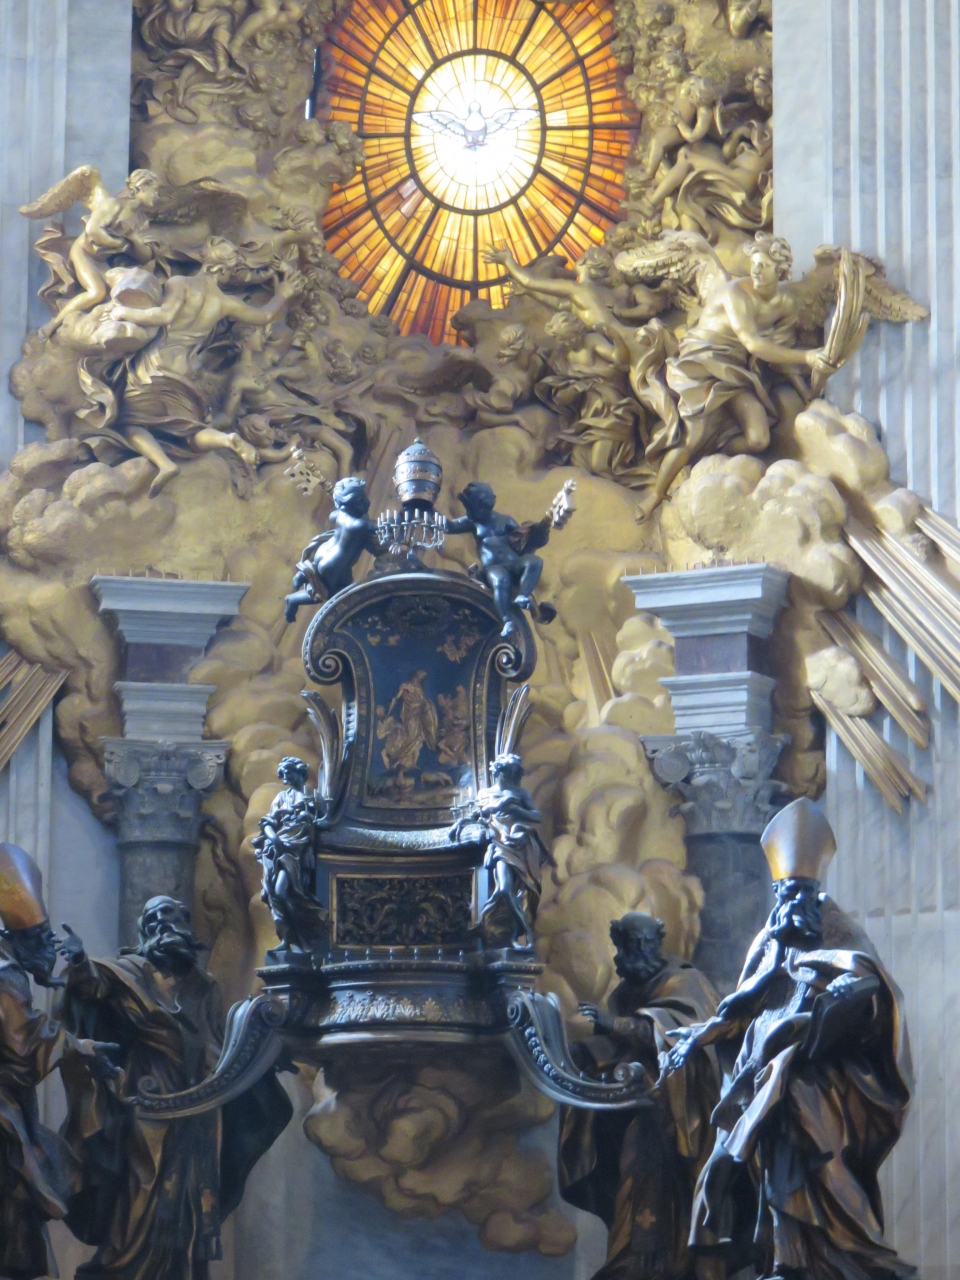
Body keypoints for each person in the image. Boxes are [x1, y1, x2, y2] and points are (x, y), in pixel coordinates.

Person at [662, 799, 915, 1280]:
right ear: (777, 893)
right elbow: (739, 1009)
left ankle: (857, 1252)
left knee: (812, 1150)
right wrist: (698, 1038)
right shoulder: (769, 942)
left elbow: (874, 991)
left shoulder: (838, 934)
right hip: (761, 1072)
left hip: (819, 1077)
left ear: (818, 894)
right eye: (787, 892)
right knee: (763, 1166)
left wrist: (833, 1003)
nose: (794, 903)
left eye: (804, 893)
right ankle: (784, 1259)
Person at [60, 896, 292, 1280]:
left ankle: (179, 1271)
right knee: (143, 1184)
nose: (164, 924)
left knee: (189, 1193)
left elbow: (217, 1043)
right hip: (148, 1093)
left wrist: (262, 1058)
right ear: (144, 931)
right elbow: (92, 986)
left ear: (186, 923)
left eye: (171, 915)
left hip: (199, 1101)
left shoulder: (203, 986)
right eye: (154, 919)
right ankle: (122, 1268)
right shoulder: (127, 972)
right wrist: (81, 962)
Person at [559, 913, 720, 1280]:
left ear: (656, 942)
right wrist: (587, 1054)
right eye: (631, 945)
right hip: (646, 1107)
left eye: (645, 943)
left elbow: (674, 1035)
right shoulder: (629, 989)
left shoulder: (683, 982)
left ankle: (655, 1262)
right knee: (629, 1172)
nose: (639, 951)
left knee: (650, 1174)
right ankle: (631, 1260)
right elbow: (623, 1046)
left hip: (685, 1113)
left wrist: (612, 1024)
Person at [636, 234, 828, 520]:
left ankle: (713, 454)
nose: (756, 271)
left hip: (735, 370)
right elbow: (754, 344)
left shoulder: (786, 305)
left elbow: (779, 352)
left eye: (764, 265)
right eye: (754, 263)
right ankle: (656, 494)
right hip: (700, 362)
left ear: (780, 271)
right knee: (693, 434)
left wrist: (807, 391)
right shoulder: (734, 293)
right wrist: (808, 357)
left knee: (759, 439)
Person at [0, 842, 114, 1280]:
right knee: (15, 1215)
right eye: (42, 940)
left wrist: (76, 968)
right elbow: (21, 1042)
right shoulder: (6, 973)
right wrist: (78, 1047)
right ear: (18, 940)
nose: (49, 949)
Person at [111, 236, 303, 495]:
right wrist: (283, 294)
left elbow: (164, 315)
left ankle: (165, 464)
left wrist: (125, 313)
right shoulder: (224, 302)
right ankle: (225, 439)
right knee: (191, 432)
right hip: (187, 373)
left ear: (208, 263)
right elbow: (264, 315)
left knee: (128, 421)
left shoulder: (181, 283)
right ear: (222, 270)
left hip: (157, 363)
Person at [450, 752, 554, 947]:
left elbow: (536, 816)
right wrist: (460, 823)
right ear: (498, 772)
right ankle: (509, 930)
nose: (510, 777)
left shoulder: (521, 793)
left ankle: (507, 932)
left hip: (520, 842)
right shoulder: (485, 793)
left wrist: (516, 810)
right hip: (498, 843)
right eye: (507, 772)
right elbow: (477, 814)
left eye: (514, 773)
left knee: (517, 892)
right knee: (504, 889)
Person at [446, 481, 548, 638]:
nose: (470, 512)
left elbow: (522, 545)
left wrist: (536, 537)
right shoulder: (472, 523)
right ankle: (507, 619)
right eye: (468, 508)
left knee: (535, 561)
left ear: (486, 506)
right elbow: (450, 526)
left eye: (473, 508)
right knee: (500, 580)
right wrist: (427, 508)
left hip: (513, 562)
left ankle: (524, 594)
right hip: (493, 567)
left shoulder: (505, 520)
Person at [284, 475, 384, 621]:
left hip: (323, 552)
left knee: (342, 588)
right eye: (359, 501)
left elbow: (334, 514)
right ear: (345, 505)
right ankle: (292, 599)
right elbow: (381, 525)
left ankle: (306, 575)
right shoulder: (358, 525)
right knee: (330, 594)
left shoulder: (337, 514)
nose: (366, 502)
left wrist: (338, 500)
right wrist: (396, 520)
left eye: (364, 497)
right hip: (334, 566)